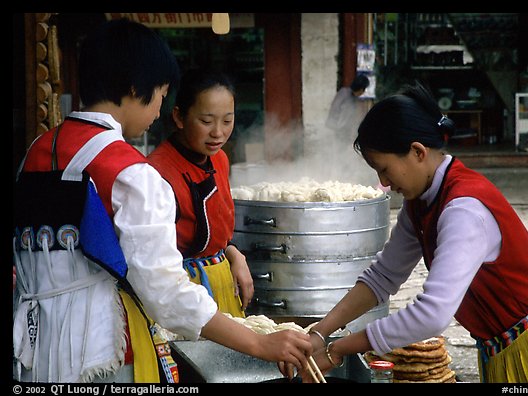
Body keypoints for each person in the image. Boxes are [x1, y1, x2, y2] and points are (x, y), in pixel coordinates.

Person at [12, 18, 312, 384]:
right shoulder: (131, 172)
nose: (158, 112)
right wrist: (259, 344)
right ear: (136, 88)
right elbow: (165, 291)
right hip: (101, 355)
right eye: (159, 95)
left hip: (31, 348)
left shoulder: (35, 152)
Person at [287, 82, 528, 383]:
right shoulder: (420, 202)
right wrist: (320, 331)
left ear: (417, 152)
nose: (384, 183)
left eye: (385, 169)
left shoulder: (463, 210)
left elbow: (433, 314)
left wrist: (339, 348)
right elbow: (383, 277)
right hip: (500, 348)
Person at [147, 68, 252, 318]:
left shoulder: (220, 160)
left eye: (227, 120)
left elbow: (218, 232)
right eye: (206, 121)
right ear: (179, 117)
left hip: (222, 282)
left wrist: (233, 253)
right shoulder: (156, 172)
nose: (218, 132)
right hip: (180, 295)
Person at [325, 73, 370, 143]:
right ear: (361, 89)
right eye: (363, 89)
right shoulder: (344, 93)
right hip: (336, 129)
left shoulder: (353, 98)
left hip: (343, 130)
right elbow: (335, 109)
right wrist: (337, 127)